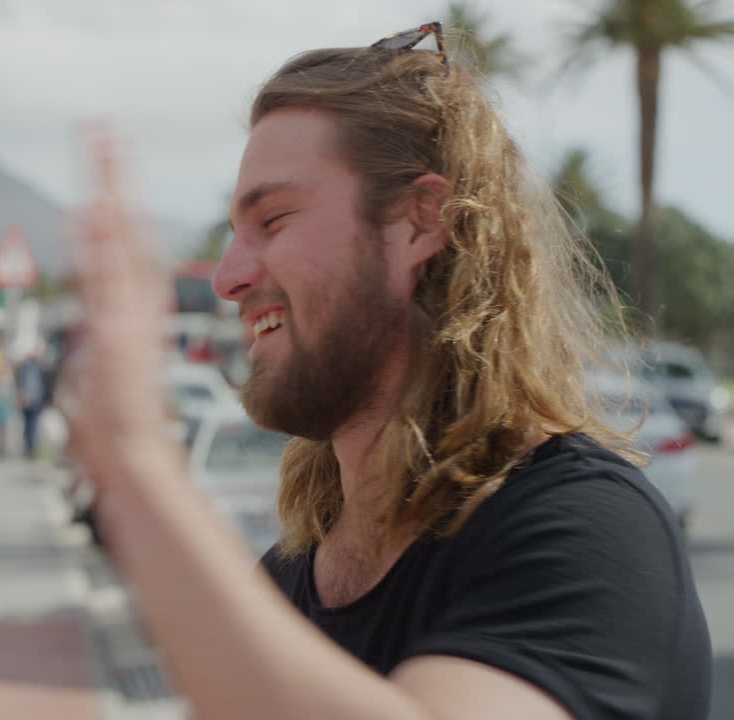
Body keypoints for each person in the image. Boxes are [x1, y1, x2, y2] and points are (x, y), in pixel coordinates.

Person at [62, 22, 710, 720]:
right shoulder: (285, 584)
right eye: (232, 234)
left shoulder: (588, 530)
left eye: (273, 220)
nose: (228, 277)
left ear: (419, 223)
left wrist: (139, 465)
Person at [14, 343, 48, 459]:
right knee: (27, 425)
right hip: (26, 401)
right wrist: (20, 396)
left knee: (34, 425)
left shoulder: (40, 368)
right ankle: (28, 447)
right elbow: (19, 384)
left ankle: (32, 449)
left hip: (36, 400)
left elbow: (44, 384)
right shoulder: (24, 368)